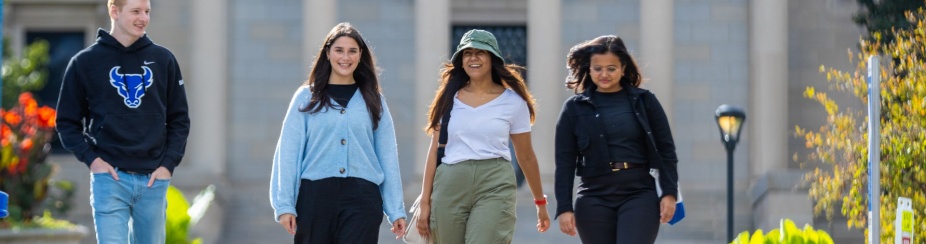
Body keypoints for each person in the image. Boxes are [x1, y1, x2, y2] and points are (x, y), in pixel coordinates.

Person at [55, 0, 190, 243]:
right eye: (136, 11)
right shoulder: (84, 63)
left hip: (153, 181)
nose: (144, 18)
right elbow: (66, 123)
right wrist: (93, 161)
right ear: (114, 11)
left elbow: (179, 120)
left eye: (147, 11)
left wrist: (168, 165)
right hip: (110, 179)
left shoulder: (164, 60)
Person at [269, 22, 406, 243]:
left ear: (360, 55)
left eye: (352, 51)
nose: (345, 57)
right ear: (327, 53)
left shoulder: (374, 100)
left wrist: (395, 209)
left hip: (362, 199)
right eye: (339, 50)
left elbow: (387, 155)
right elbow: (288, 152)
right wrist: (285, 204)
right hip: (315, 197)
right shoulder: (306, 97)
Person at [415, 29, 551, 243]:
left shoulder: (514, 102)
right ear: (461, 60)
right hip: (450, 183)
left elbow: (526, 156)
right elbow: (434, 151)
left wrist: (540, 203)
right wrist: (425, 202)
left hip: (494, 183)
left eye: (481, 52)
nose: (473, 58)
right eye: (467, 53)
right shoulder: (448, 98)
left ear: (492, 58)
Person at [554, 35, 679, 243]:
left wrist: (669, 193)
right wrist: (564, 207)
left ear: (623, 68)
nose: (604, 74)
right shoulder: (573, 108)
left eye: (611, 68)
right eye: (597, 68)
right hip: (593, 197)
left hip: (639, 194)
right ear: (589, 69)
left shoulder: (645, 101)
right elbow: (564, 163)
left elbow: (666, 151)